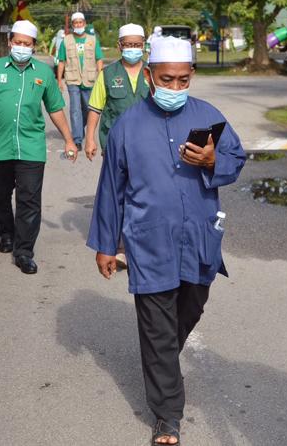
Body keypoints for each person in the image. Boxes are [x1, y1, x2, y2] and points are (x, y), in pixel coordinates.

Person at [87, 36, 246, 446]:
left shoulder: (209, 115)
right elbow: (111, 189)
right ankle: (167, 415)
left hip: (198, 238)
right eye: (166, 80)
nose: (174, 88)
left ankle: (160, 366)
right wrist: (107, 244)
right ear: (151, 78)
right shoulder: (127, 126)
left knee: (190, 309)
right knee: (158, 329)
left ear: (191, 75)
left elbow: (237, 159)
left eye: (181, 80)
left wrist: (213, 161)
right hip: (147, 241)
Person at [0, 20, 78, 275]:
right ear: (9, 42)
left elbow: (55, 109)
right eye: (17, 42)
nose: (21, 47)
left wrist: (69, 139)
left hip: (31, 148)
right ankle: (7, 234)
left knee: (29, 200)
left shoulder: (43, 73)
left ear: (33, 46)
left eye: (26, 44)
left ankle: (24, 251)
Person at [83, 23, 149, 160]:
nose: (133, 48)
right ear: (119, 45)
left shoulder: (154, 73)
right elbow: (95, 109)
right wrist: (89, 139)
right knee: (114, 181)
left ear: (143, 45)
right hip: (114, 144)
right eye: (128, 45)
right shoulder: (107, 74)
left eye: (137, 45)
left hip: (147, 144)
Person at [56, 11, 103, 150]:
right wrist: (59, 80)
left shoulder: (93, 40)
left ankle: (79, 128)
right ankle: (77, 139)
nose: (78, 25)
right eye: (75, 23)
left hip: (89, 79)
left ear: (84, 24)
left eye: (80, 22)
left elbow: (99, 59)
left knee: (90, 109)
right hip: (73, 80)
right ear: (72, 25)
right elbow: (62, 62)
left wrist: (100, 77)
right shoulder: (66, 40)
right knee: (75, 109)